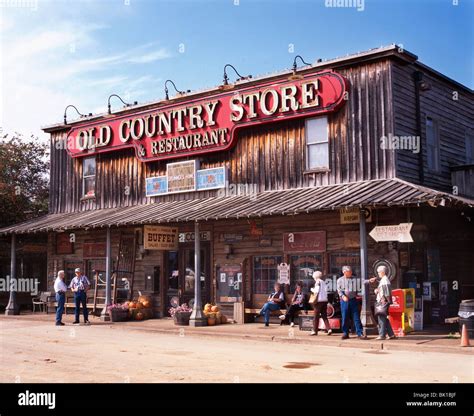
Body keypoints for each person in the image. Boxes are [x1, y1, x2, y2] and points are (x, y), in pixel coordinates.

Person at [337, 265, 366, 339]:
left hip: (353, 299)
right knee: (345, 317)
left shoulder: (354, 279)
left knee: (356, 317)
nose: (351, 272)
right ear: (344, 272)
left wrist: (369, 281)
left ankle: (360, 333)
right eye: (349, 271)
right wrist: (343, 296)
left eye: (351, 271)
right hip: (344, 300)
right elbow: (339, 290)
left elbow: (362, 281)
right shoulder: (340, 280)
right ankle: (345, 333)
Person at [370, 265, 397, 340]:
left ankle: (382, 335)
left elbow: (386, 292)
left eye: (378, 272)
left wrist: (383, 300)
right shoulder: (384, 280)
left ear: (382, 272)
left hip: (382, 301)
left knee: (381, 318)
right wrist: (377, 290)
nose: (378, 273)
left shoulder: (384, 280)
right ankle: (391, 334)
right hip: (384, 301)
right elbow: (384, 291)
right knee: (384, 318)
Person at [310, 271, 332, 336]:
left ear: (315, 277)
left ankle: (314, 330)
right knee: (324, 316)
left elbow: (316, 291)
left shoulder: (317, 282)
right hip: (324, 300)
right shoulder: (323, 282)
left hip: (318, 301)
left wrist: (311, 289)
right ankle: (329, 329)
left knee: (316, 316)